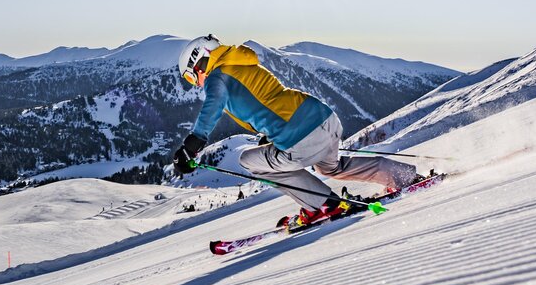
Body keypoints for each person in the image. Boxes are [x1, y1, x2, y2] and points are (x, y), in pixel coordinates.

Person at [171, 35, 422, 230]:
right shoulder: (240, 62)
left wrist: (191, 145)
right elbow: (266, 100)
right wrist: (270, 134)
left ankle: (323, 205)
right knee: (332, 168)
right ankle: (402, 176)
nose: (197, 83)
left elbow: (211, 107)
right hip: (324, 118)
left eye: (193, 78)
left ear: (199, 62)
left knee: (248, 160)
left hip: (299, 135)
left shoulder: (218, 76)